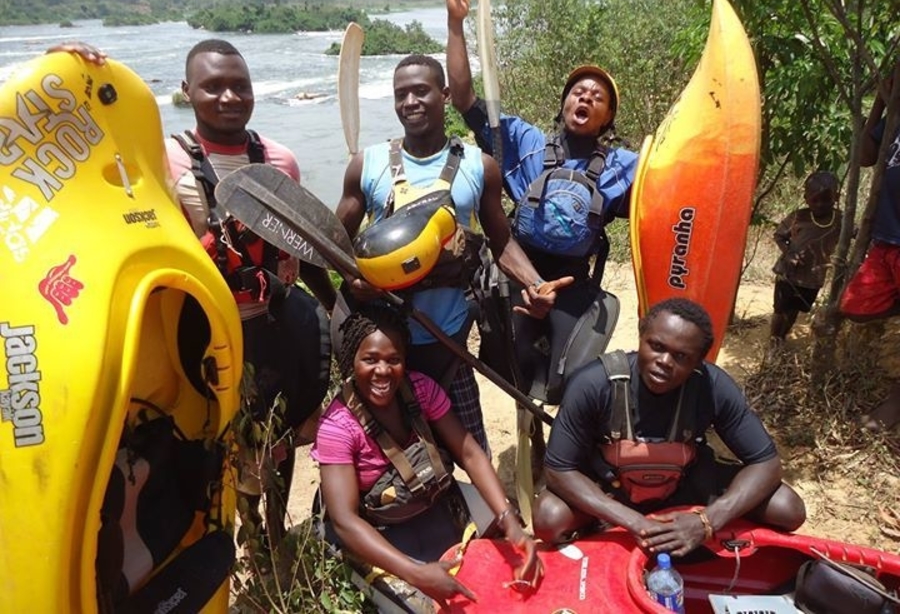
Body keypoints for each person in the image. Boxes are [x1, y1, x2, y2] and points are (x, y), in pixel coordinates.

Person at [50, 39, 335, 547]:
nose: (229, 97)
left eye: (240, 86)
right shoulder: (161, 160)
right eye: (213, 86)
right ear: (186, 91)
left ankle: (272, 540)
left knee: (276, 439)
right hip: (200, 334)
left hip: (272, 327)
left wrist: (339, 307)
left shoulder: (280, 161)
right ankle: (230, 538)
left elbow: (301, 244)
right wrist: (71, 74)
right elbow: (85, 164)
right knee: (214, 447)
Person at [320, 52, 572, 454]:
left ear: (445, 94)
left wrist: (535, 283)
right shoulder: (367, 165)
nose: (410, 102)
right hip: (383, 344)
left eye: (421, 91)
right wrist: (352, 281)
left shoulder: (479, 166)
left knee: (471, 451)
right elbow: (331, 241)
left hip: (447, 339)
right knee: (394, 459)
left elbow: (501, 242)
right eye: (401, 94)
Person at [445, 0, 638, 466]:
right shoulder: (523, 141)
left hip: (574, 286)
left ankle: (566, 457)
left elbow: (668, 196)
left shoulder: (625, 165)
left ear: (608, 118)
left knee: (573, 384)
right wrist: (455, 23)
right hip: (517, 273)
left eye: (597, 97)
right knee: (516, 376)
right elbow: (463, 97)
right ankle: (528, 437)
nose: (585, 97)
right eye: (578, 91)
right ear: (564, 103)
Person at [532, 298, 807, 556]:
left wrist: (707, 521)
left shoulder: (712, 386)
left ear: (699, 362)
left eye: (681, 356)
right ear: (641, 336)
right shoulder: (594, 383)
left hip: (686, 485)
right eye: (656, 346)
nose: (664, 362)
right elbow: (558, 470)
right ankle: (600, 530)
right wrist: (635, 522)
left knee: (788, 508)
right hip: (613, 490)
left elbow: (766, 463)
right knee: (549, 518)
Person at [311, 304, 541, 606]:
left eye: (393, 360)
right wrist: (415, 574)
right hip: (382, 531)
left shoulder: (420, 390)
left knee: (504, 557)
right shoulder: (338, 426)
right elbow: (345, 520)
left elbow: (469, 453)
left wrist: (508, 519)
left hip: (437, 504)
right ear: (351, 360)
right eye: (370, 359)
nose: (383, 370)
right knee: (424, 606)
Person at [839, 74, 900, 431]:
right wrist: (881, 100)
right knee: (856, 305)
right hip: (887, 239)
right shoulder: (895, 118)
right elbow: (864, 156)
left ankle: (896, 401)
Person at [768, 171, 842, 357]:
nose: (820, 204)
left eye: (826, 200)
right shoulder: (798, 217)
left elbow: (857, 232)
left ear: (836, 197)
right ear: (806, 199)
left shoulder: (840, 220)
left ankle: (782, 336)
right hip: (789, 273)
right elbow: (779, 236)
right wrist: (789, 253)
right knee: (780, 309)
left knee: (795, 309)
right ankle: (774, 341)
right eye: (815, 200)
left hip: (813, 277)